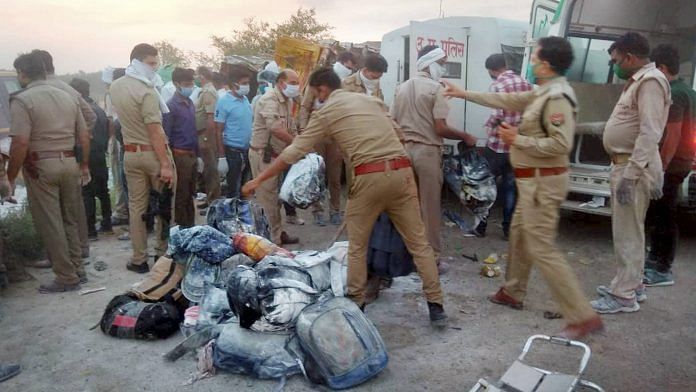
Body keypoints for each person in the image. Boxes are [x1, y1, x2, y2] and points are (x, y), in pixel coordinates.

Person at [242, 68, 448, 326]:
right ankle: (436, 306)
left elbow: (293, 151)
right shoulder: (372, 101)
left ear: (322, 90)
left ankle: (357, 303)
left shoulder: (326, 111)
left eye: (314, 94)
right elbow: (401, 135)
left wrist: (258, 179)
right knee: (419, 243)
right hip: (402, 172)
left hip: (368, 176)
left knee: (358, 246)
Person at [443, 36, 603, 339]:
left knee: (541, 246)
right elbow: (507, 101)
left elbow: (561, 143)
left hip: (545, 181)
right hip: (532, 181)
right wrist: (462, 93)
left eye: (534, 58)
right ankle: (513, 291)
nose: (529, 62)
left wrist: (518, 140)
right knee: (518, 235)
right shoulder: (542, 92)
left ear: (546, 64)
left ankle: (582, 316)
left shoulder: (557, 98)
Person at [591, 33, 670, 314]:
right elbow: (632, 123)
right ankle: (632, 285)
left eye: (615, 60)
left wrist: (631, 175)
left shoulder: (650, 82)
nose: (614, 66)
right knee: (633, 232)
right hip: (627, 164)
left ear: (630, 57)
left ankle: (623, 295)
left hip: (632, 168)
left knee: (627, 234)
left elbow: (651, 132)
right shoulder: (639, 82)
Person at [6, 52, 91, 292]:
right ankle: (78, 269)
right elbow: (84, 136)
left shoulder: (23, 100)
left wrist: (10, 177)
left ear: (22, 74)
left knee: (51, 223)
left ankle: (66, 277)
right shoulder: (67, 96)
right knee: (70, 220)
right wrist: (83, 164)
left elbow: (20, 142)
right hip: (70, 163)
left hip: (41, 166)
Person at [391, 45, 476, 271]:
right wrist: (465, 135)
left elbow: (393, 122)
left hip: (403, 152)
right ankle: (431, 259)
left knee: (406, 206)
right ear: (430, 63)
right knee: (430, 208)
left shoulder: (402, 87)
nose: (444, 67)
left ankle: (405, 253)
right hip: (427, 152)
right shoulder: (435, 88)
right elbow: (440, 128)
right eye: (442, 62)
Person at [110, 43, 176, 273]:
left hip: (130, 154)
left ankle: (138, 259)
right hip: (153, 154)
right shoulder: (147, 90)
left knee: (137, 208)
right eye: (151, 63)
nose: (155, 67)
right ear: (136, 61)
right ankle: (161, 252)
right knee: (164, 204)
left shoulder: (116, 87)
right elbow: (155, 130)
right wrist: (166, 164)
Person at [33, 49, 95, 260]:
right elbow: (90, 116)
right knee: (74, 207)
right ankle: (81, 250)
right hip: (73, 156)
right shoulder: (66, 88)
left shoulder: (39, 90)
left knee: (53, 213)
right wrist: (78, 139)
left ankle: (61, 258)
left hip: (46, 159)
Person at [643, 44, 696, 287]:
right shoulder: (688, 90)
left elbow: (673, 134)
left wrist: (660, 168)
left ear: (662, 68)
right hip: (682, 161)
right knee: (663, 213)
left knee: (664, 215)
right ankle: (656, 261)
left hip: (672, 164)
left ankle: (662, 268)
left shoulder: (674, 92)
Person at [477, 53, 532, 239]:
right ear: (505, 64)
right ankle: (508, 230)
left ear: (491, 70)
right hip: (517, 145)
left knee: (486, 186)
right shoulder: (525, 83)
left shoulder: (497, 86)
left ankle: (481, 227)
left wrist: (487, 125)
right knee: (510, 187)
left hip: (497, 147)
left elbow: (497, 116)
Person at [248, 69, 301, 245]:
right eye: (292, 83)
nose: (296, 86)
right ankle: (271, 241)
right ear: (280, 82)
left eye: (296, 83)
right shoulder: (269, 99)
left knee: (276, 198)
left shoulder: (286, 100)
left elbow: (289, 127)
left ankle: (277, 233)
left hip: (277, 156)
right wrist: (297, 144)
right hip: (264, 155)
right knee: (267, 200)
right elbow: (275, 128)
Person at [70, 78, 113, 239]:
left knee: (87, 193)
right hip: (101, 155)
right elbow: (110, 129)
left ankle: (90, 230)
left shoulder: (81, 111)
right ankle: (107, 224)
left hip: (86, 156)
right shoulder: (99, 110)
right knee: (103, 191)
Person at [163, 67, 197, 228]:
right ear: (176, 84)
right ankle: (182, 227)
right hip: (179, 155)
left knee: (191, 193)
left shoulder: (190, 103)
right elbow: (166, 136)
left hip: (191, 155)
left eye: (191, 83)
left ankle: (191, 225)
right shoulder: (171, 106)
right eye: (186, 84)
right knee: (181, 195)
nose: (190, 87)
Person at [215, 69, 253, 198]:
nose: (247, 86)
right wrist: (221, 157)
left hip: (246, 150)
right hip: (232, 152)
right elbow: (218, 130)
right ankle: (231, 215)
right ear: (233, 84)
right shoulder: (224, 102)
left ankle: (240, 215)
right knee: (233, 189)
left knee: (244, 188)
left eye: (248, 83)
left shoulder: (245, 100)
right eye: (244, 83)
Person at [194, 66, 220, 214]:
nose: (197, 78)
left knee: (211, 169)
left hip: (206, 134)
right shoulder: (205, 91)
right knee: (208, 169)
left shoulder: (208, 92)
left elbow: (211, 117)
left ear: (202, 76)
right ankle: (210, 198)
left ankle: (213, 203)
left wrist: (206, 138)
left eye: (198, 76)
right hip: (203, 133)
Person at [106, 68, 130, 227]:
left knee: (120, 177)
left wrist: (110, 140)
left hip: (118, 139)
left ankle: (122, 211)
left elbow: (111, 121)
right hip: (129, 139)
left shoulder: (112, 94)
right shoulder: (131, 92)